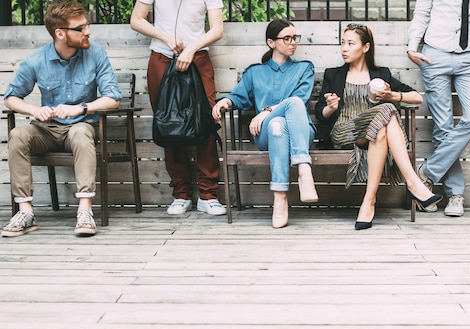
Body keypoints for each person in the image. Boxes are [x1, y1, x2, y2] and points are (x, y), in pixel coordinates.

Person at [2, 0, 122, 238]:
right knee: (18, 135)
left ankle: (85, 211)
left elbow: (113, 99)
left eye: (86, 25)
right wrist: (34, 111)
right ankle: (26, 213)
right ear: (60, 33)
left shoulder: (96, 54)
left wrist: (81, 108)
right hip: (46, 130)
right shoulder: (37, 60)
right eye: (80, 28)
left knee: (79, 133)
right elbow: (11, 97)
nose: (87, 31)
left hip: (80, 126)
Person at [315, 24, 443, 230]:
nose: (344, 49)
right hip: (344, 132)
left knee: (382, 128)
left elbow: (417, 97)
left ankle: (369, 201)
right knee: (387, 111)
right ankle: (413, 182)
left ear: (365, 47)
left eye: (350, 43)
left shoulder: (381, 74)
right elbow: (320, 115)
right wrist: (331, 107)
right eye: (342, 43)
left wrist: (393, 95)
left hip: (372, 134)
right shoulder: (334, 74)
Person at [212, 19, 318, 229]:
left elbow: (300, 98)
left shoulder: (304, 69)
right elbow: (239, 97)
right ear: (271, 42)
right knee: (275, 124)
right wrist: (227, 100)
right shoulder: (254, 73)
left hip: (300, 132)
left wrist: (266, 112)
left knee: (279, 121)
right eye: (286, 38)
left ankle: (280, 198)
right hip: (264, 136)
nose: (293, 43)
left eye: (294, 38)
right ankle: (303, 170)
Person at [130, 0, 227, 216]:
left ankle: (208, 195)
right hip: (162, 57)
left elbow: (218, 28)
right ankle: (181, 194)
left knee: (208, 121)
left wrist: (191, 47)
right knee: (169, 121)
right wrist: (166, 37)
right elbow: (136, 19)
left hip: (198, 57)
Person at [407, 0, 470, 217]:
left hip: (469, 58)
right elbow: (422, 13)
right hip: (434, 55)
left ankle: (426, 173)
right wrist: (412, 46)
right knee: (443, 128)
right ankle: (455, 194)